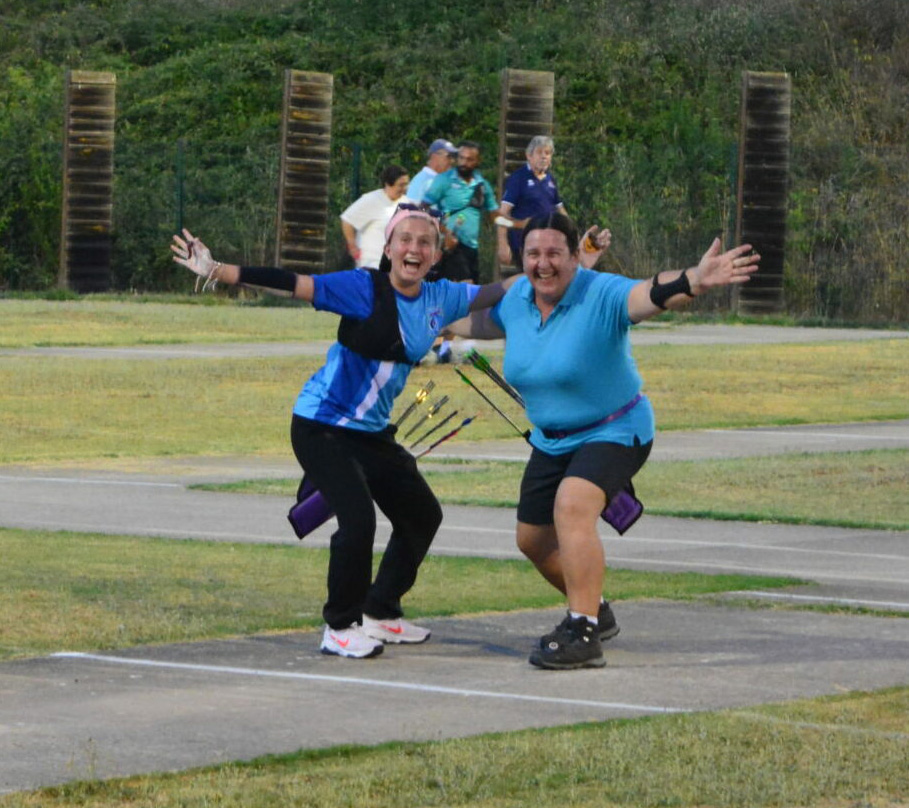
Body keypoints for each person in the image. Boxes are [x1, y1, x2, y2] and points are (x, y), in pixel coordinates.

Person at [171, 205, 515, 660]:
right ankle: (339, 626)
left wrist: (570, 270)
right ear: (388, 248)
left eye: (424, 242)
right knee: (358, 520)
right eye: (405, 240)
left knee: (421, 515)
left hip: (372, 434)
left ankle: (380, 611)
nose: (414, 248)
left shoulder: (441, 297)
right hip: (323, 426)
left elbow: (501, 291)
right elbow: (293, 283)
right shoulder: (362, 288)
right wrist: (218, 270)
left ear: (436, 254)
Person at [450, 213, 760, 670]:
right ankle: (595, 609)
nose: (543, 263)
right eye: (533, 254)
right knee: (532, 540)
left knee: (572, 506)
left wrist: (693, 279)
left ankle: (582, 631)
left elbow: (648, 294)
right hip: (552, 440)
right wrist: (424, 315)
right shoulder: (517, 299)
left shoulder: (600, 292)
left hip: (615, 429)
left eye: (554, 253)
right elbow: (476, 324)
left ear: (575, 256)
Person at [423, 140, 500, 284]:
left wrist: (516, 224)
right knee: (467, 285)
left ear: (478, 161)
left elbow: (495, 216)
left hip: (472, 247)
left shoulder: (482, 185)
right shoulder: (444, 180)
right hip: (451, 244)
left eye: (469, 159)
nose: (464, 163)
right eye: (461, 158)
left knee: (469, 291)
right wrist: (444, 231)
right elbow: (423, 209)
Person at [496, 136, 567, 268]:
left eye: (547, 153)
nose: (544, 157)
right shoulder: (518, 178)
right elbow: (502, 213)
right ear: (529, 155)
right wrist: (502, 244)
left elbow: (560, 210)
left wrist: (572, 232)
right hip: (525, 245)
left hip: (548, 244)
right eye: (539, 152)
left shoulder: (551, 180)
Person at [340, 165, 411, 269]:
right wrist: (352, 246)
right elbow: (347, 220)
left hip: (394, 265)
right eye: (401, 185)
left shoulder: (406, 202)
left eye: (406, 184)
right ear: (388, 184)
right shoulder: (371, 200)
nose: (404, 189)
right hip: (371, 264)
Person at [406, 139, 457, 204]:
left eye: (453, 157)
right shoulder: (421, 181)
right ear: (434, 156)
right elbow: (410, 208)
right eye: (449, 156)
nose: (452, 161)